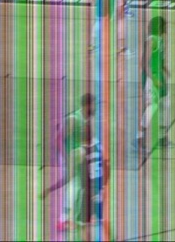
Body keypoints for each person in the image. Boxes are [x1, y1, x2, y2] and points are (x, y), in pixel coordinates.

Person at [42, 110, 111, 241]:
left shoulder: (79, 151)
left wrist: (49, 189)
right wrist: (104, 186)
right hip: (99, 190)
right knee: (101, 220)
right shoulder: (98, 145)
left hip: (87, 193)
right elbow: (107, 166)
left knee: (83, 226)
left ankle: (64, 220)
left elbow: (67, 178)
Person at [51, 93, 95, 232]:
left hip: (77, 158)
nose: (94, 108)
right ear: (87, 105)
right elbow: (58, 139)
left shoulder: (85, 120)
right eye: (93, 105)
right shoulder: (74, 119)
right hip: (69, 158)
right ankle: (63, 219)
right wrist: (66, 157)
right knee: (74, 186)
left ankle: (70, 218)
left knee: (79, 187)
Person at [135, 16, 175, 154]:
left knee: (165, 104)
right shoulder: (151, 40)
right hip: (151, 78)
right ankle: (140, 137)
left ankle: (163, 137)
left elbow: (160, 60)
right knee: (152, 106)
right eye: (165, 26)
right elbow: (144, 64)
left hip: (160, 77)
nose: (167, 28)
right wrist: (153, 79)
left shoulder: (161, 40)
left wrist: (165, 70)